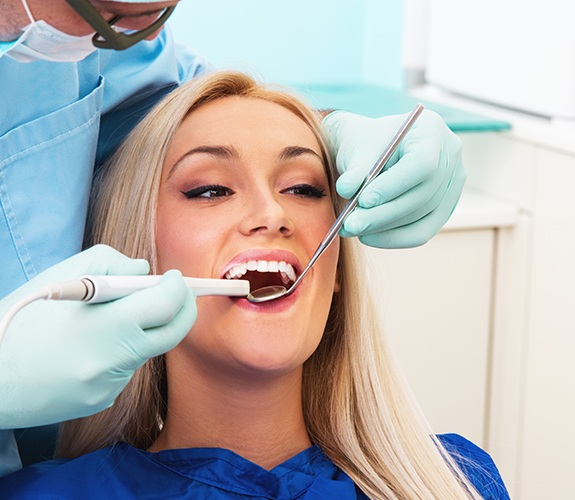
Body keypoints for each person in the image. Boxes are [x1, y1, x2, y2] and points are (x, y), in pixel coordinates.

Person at [0, 0, 466, 477]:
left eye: (304, 188)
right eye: (210, 190)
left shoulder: (455, 478)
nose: (272, 214)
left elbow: (202, 112)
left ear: (337, 267)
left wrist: (328, 130)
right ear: (138, 254)